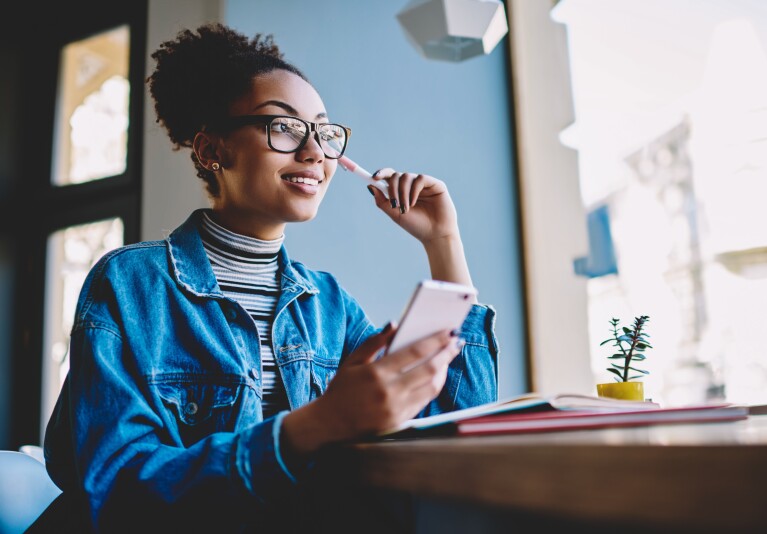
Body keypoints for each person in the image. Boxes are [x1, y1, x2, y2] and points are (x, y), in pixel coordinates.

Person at [38, 22, 498, 533]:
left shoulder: (328, 305)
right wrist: (316, 425)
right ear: (211, 149)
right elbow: (115, 486)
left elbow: (462, 427)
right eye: (284, 127)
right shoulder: (130, 283)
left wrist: (442, 244)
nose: (314, 153)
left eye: (323, 133)